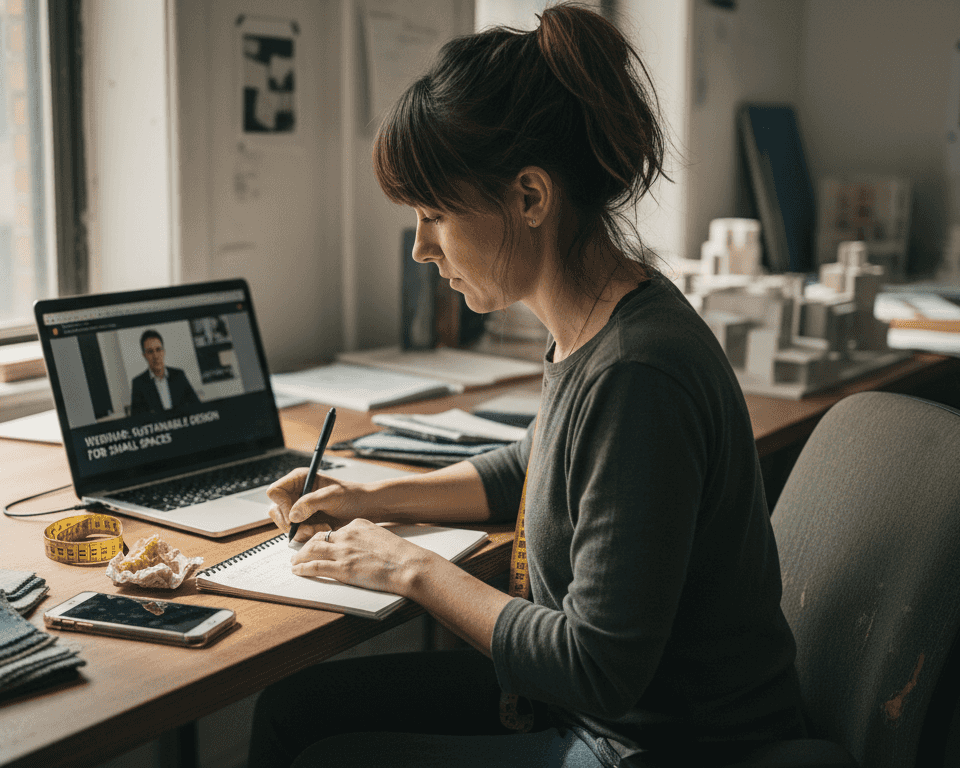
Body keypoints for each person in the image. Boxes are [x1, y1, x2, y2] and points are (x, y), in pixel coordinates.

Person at [251, 5, 805, 767]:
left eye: (435, 214)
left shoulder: (638, 372)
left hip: (652, 742)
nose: (419, 247)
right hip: (595, 711)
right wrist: (371, 500)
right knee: (293, 710)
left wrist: (407, 566)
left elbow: (597, 666)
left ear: (532, 197)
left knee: (312, 743)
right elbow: (534, 465)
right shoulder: (597, 321)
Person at [129, 329, 199, 415]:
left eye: (158, 349)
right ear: (144, 356)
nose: (155, 356)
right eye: (150, 352)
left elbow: (196, 407)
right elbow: (137, 420)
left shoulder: (179, 375)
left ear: (164, 352)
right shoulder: (138, 383)